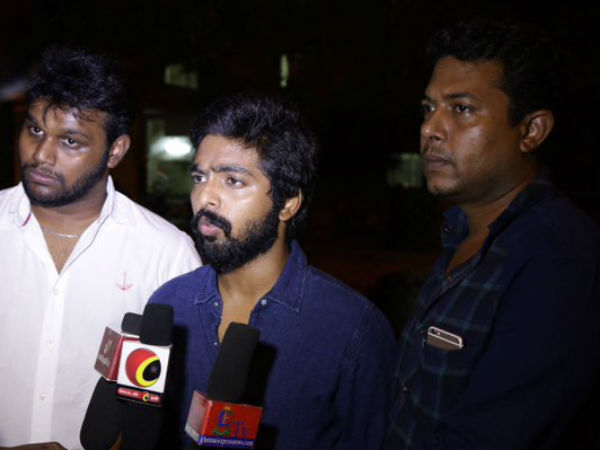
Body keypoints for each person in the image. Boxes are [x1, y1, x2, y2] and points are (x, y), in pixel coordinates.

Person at [385, 17, 600, 449]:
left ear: (531, 131)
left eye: (462, 109)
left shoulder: (557, 258)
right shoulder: (463, 233)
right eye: (428, 109)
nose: (430, 129)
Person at [148, 93, 396, 449]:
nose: (205, 198)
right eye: (199, 177)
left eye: (233, 181)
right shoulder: (170, 304)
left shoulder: (353, 329)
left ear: (288, 203)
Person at [0, 45, 201, 449]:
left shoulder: (167, 256)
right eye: (35, 131)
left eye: (70, 141)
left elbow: (181, 404)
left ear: (116, 151)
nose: (41, 155)